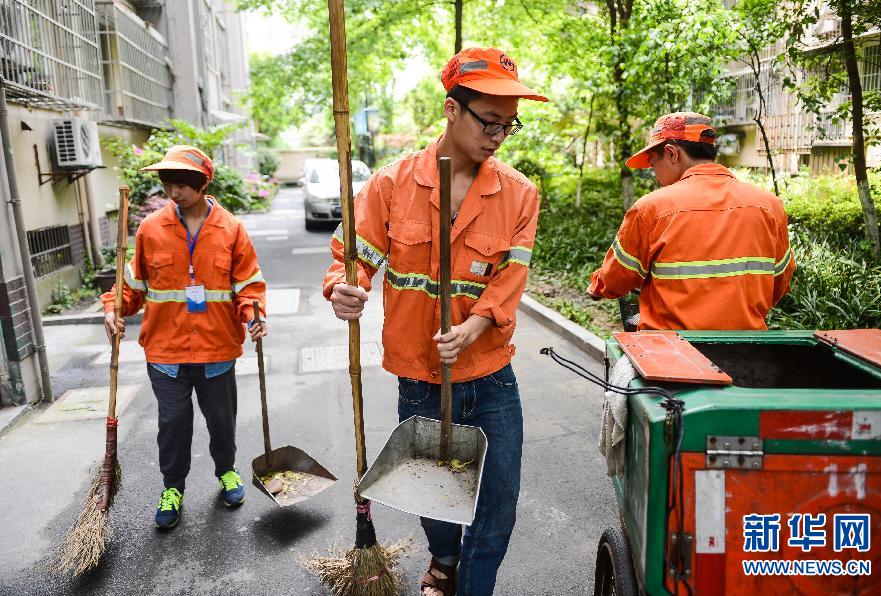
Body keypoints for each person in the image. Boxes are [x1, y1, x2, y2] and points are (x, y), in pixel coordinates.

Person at [323, 48, 546, 596]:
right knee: (435, 496)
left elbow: (508, 282)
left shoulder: (519, 194)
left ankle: (473, 586)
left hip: (490, 377)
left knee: (497, 504)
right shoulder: (389, 185)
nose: (498, 135)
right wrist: (344, 289)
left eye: (508, 125)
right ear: (452, 109)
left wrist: (474, 328)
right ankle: (443, 561)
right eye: (489, 121)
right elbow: (353, 259)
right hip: (419, 379)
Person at [102, 145, 267, 529]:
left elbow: (249, 286)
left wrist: (254, 316)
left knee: (222, 422)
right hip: (166, 352)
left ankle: (226, 471)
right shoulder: (151, 230)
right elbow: (131, 287)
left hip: (217, 349)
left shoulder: (230, 229)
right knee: (173, 424)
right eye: (169, 185)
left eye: (182, 186)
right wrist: (113, 308)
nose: (174, 194)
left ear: (201, 183)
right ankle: (172, 487)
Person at [587, 112, 795, 330]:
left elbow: (618, 277)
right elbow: (780, 282)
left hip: (671, 352)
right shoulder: (770, 206)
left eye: (652, 163)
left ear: (671, 153)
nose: (654, 173)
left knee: (622, 365)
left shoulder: (651, 209)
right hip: (746, 349)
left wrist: (597, 287)